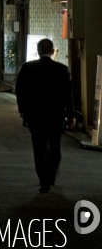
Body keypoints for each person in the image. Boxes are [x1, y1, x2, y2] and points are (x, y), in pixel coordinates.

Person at [15, 38, 75, 193]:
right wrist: (71, 116)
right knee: (55, 146)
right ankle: (51, 174)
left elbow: (20, 90)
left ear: (38, 50)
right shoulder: (62, 69)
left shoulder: (28, 68)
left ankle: (44, 181)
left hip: (35, 115)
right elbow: (68, 95)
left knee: (39, 148)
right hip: (56, 116)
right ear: (52, 50)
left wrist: (22, 109)